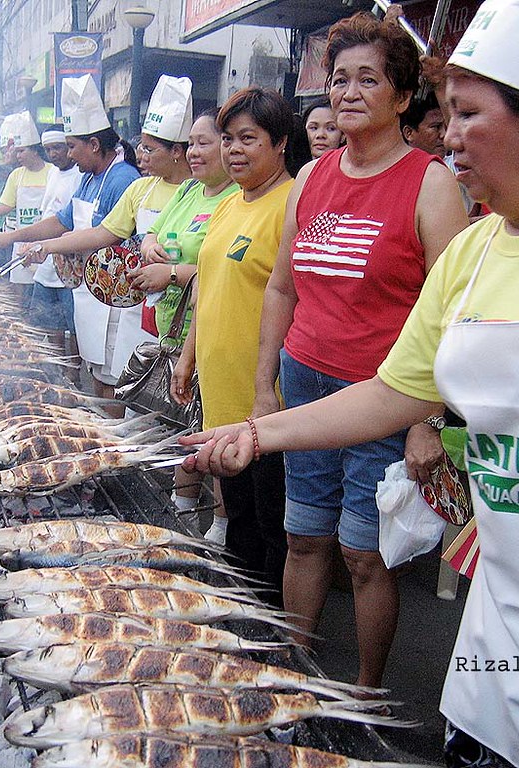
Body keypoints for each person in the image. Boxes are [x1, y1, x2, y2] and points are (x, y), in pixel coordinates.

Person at [182, 1, 519, 766]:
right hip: (501, 622)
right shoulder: (475, 250)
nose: (447, 135)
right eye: (447, 114)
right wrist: (257, 433)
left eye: (464, 114)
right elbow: (393, 392)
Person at [251, 12, 468, 686]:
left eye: (366, 79)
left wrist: (424, 419)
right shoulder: (310, 179)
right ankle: (294, 674)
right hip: (306, 385)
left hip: (382, 399)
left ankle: (367, 695)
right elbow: (281, 289)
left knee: (364, 556)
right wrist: (265, 386)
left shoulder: (430, 184)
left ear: (402, 97)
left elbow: (451, 317)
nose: (346, 92)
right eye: (338, 79)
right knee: (301, 538)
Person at [172, 86, 295, 604]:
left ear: (281, 143)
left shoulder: (290, 203)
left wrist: (267, 385)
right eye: (229, 139)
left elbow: (290, 294)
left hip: (269, 398)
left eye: (250, 138)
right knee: (239, 509)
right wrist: (187, 356)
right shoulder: (226, 206)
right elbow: (205, 284)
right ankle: (242, 608)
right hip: (221, 389)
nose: (235, 150)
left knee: (274, 520)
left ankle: (272, 623)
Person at [22, 75, 194, 400]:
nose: (140, 154)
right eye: (141, 145)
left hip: (163, 313)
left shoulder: (195, 194)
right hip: (128, 301)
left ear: (176, 151)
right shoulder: (141, 188)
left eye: (149, 148)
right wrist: (45, 246)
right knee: (113, 385)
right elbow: (103, 233)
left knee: (143, 395)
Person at [0, 75, 139, 393]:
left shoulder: (122, 178)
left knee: (112, 378)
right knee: (95, 369)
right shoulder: (89, 177)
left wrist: (45, 246)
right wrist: (15, 237)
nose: (69, 155)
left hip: (115, 299)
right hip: (88, 291)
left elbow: (104, 235)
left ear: (94, 145)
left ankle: (107, 435)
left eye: (72, 147)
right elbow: (61, 220)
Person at [128, 107, 239, 541]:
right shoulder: (190, 190)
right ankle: (181, 510)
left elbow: (228, 270)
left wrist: (173, 273)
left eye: (203, 142)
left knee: (213, 425)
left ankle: (222, 526)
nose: (193, 152)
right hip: (173, 324)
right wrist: (152, 245)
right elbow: (153, 231)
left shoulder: (236, 199)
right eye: (190, 143)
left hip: (212, 328)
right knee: (182, 422)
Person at [0, 112, 54, 287]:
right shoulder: (16, 175)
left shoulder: (53, 172)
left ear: (35, 151)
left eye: (21, 151)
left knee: (43, 287)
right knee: (19, 289)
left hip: (47, 241)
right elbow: (5, 206)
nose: (18, 155)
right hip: (20, 241)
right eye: (17, 151)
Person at [28, 129, 83, 343]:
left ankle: (73, 372)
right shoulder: (52, 172)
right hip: (46, 261)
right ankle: (57, 369)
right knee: (50, 324)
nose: (53, 154)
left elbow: (66, 221)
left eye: (58, 148)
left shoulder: (80, 176)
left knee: (75, 328)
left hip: (69, 264)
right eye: (48, 149)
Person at [401, 88, 447, 157]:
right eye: (436, 127)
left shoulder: (458, 165)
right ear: (409, 133)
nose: (444, 135)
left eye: (446, 127)